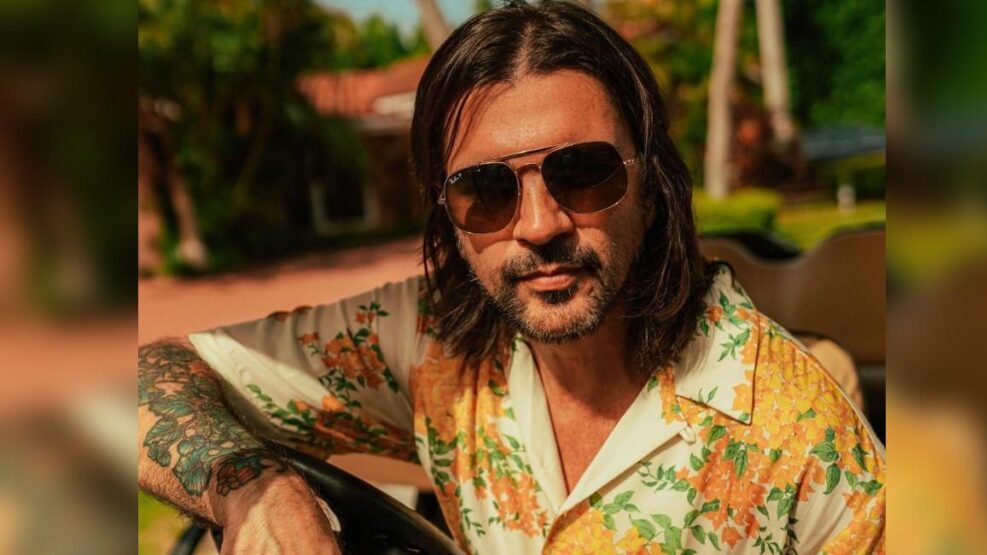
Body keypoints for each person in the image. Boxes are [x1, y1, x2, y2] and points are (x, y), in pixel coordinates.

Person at [138, 2, 885, 553]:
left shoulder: (802, 435)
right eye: (487, 191)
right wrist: (250, 483)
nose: (538, 223)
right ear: (448, 216)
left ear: (653, 185)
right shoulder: (429, 339)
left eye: (583, 172)